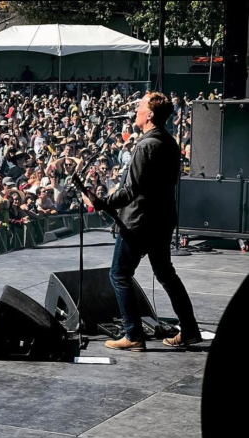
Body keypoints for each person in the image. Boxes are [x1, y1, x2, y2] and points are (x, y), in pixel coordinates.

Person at [83, 91, 201, 352]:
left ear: (149, 114)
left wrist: (103, 201)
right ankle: (190, 330)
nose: (135, 111)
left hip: (139, 222)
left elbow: (131, 191)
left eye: (139, 107)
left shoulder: (146, 145)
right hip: (162, 219)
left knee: (119, 274)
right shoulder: (169, 142)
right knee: (166, 274)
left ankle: (133, 334)